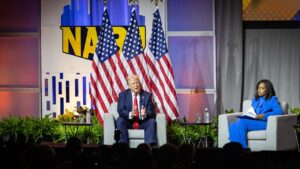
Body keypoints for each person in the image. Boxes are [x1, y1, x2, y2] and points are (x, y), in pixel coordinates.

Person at [229, 79, 283, 148]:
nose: (259, 90)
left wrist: (264, 115)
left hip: (265, 122)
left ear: (268, 89)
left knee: (242, 122)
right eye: (258, 88)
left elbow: (279, 111)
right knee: (232, 126)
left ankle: (243, 150)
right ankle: (234, 150)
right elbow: (252, 111)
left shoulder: (272, 99)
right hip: (255, 121)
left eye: (262, 88)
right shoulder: (255, 99)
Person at [116, 74, 157, 146]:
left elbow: (152, 113)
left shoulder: (147, 95)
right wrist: (130, 114)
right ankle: (122, 146)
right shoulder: (123, 95)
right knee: (120, 120)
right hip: (128, 122)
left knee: (152, 121)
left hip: (142, 123)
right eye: (133, 83)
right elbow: (120, 110)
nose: (136, 85)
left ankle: (149, 147)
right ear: (129, 86)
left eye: (137, 82)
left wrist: (145, 114)